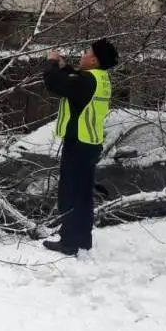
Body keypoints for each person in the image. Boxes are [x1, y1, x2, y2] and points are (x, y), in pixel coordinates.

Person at [42, 38, 119, 256]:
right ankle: (83, 240)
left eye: (87, 52)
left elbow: (55, 83)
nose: (83, 55)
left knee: (71, 194)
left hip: (78, 144)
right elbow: (74, 82)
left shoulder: (87, 81)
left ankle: (69, 243)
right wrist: (65, 67)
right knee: (84, 194)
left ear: (94, 60)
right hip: (91, 143)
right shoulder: (100, 79)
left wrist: (51, 62)